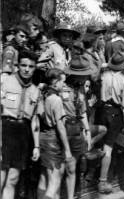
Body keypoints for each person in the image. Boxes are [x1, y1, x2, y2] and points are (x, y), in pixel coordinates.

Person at [1, 49, 40, 199]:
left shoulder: (35, 91)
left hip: (22, 134)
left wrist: (36, 146)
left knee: (13, 178)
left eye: (31, 67)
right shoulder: (4, 82)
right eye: (24, 65)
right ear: (18, 66)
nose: (27, 69)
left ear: (35, 68)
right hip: (4, 129)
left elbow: (35, 120)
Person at [95, 51, 124, 193]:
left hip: (101, 111)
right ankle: (103, 181)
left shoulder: (102, 76)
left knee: (98, 143)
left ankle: (92, 175)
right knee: (108, 149)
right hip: (115, 113)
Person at [62, 55, 96, 199]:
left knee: (75, 166)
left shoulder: (81, 90)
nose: (84, 78)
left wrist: (87, 132)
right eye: (82, 75)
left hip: (76, 129)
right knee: (64, 167)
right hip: (64, 128)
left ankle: (73, 195)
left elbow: (82, 113)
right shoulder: (62, 88)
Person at [37, 68, 73, 199]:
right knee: (55, 180)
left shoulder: (43, 94)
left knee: (44, 177)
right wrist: (67, 150)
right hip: (53, 139)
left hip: (43, 137)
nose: (63, 85)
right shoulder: (56, 99)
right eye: (62, 82)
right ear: (56, 82)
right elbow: (60, 126)